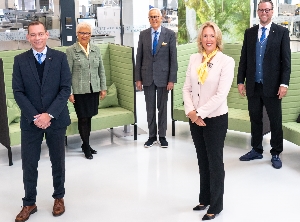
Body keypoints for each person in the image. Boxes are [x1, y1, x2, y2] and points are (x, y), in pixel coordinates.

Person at [13, 21, 71, 222]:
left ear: (47, 35)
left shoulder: (61, 58)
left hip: (56, 119)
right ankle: (29, 202)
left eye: (40, 34)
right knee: (29, 163)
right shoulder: (20, 60)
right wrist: (36, 117)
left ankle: (59, 197)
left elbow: (65, 89)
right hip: (31, 122)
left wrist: (49, 114)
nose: (37, 38)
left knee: (58, 161)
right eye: (33, 35)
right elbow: (18, 92)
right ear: (28, 37)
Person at [183, 21, 234, 220]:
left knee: (214, 163)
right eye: (205, 36)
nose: (208, 39)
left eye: (212, 36)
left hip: (215, 119)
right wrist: (191, 113)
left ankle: (216, 204)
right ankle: (204, 198)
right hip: (195, 118)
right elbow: (186, 88)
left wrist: (199, 113)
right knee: (202, 161)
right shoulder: (194, 59)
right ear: (200, 39)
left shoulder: (226, 61)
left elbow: (221, 95)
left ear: (217, 39)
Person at [237, 0, 291, 169]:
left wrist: (284, 84)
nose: (264, 13)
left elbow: (286, 62)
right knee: (255, 119)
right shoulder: (250, 33)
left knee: (275, 120)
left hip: (273, 86)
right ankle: (256, 149)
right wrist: (240, 80)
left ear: (272, 11)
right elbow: (244, 59)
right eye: (261, 10)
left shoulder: (281, 32)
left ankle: (276, 152)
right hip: (253, 84)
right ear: (257, 12)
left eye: (267, 10)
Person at [135, 8, 178, 148]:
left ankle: (163, 136)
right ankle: (152, 136)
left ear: (161, 18)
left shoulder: (170, 34)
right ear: (149, 19)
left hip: (163, 78)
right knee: (150, 108)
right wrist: (138, 79)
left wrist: (171, 79)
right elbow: (139, 57)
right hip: (147, 76)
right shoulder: (143, 35)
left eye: (156, 17)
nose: (154, 19)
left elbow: (173, 59)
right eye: (151, 17)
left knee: (162, 108)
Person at [66, 22, 107, 159]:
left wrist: (103, 87)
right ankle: (86, 146)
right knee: (82, 118)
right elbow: (67, 74)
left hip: (93, 89)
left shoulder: (96, 49)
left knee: (89, 117)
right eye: (82, 33)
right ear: (77, 34)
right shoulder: (71, 50)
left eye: (87, 33)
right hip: (79, 91)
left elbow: (101, 69)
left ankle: (86, 144)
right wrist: (69, 92)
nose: (85, 35)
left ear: (91, 35)